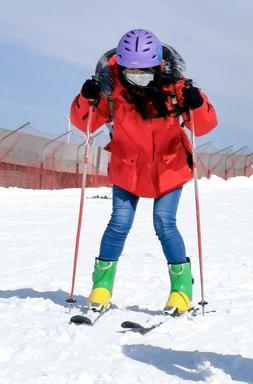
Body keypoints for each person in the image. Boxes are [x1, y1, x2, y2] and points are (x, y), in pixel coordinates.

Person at [69, 29, 218, 315]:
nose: (137, 74)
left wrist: (196, 103)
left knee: (164, 222)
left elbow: (205, 124)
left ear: (157, 64)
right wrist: (85, 98)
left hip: (168, 167)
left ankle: (181, 291)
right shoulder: (110, 89)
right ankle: (101, 286)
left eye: (144, 69)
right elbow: (83, 122)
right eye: (131, 70)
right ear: (122, 65)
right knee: (119, 222)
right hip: (129, 167)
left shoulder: (175, 88)